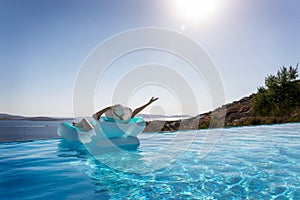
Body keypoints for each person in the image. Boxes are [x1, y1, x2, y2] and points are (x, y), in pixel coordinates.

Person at [92, 97, 159, 121]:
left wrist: (148, 103)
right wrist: (109, 108)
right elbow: (94, 116)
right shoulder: (108, 119)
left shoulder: (125, 117)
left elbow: (136, 110)